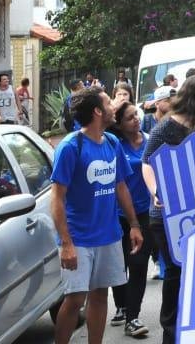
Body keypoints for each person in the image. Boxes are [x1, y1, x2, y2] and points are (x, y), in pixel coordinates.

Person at [50, 88, 143, 344]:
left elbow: (120, 185)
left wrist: (134, 224)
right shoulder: (71, 147)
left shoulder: (112, 143)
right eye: (108, 102)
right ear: (97, 111)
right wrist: (66, 243)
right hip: (78, 238)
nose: (115, 105)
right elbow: (56, 197)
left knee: (100, 295)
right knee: (75, 299)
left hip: (109, 234)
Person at [141, 76, 195, 344]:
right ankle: (173, 332)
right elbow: (147, 163)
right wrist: (155, 191)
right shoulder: (166, 128)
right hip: (168, 217)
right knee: (177, 273)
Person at [108, 102, 154, 337]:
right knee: (120, 264)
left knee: (138, 265)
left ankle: (132, 318)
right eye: (129, 118)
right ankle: (122, 305)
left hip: (145, 212)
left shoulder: (150, 140)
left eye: (136, 115)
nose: (136, 120)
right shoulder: (115, 145)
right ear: (119, 124)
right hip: (118, 214)